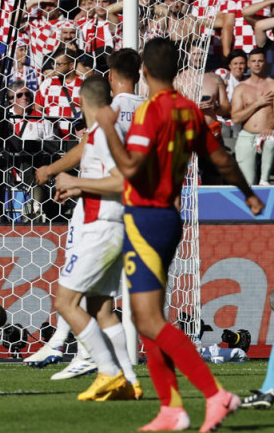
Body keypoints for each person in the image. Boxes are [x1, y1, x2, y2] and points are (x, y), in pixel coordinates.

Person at [97, 37, 263, 432]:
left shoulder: (150, 112)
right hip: (169, 217)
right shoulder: (189, 110)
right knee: (149, 315)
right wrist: (249, 194)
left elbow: (133, 168)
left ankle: (214, 395)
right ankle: (171, 408)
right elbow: (220, 156)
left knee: (149, 319)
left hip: (146, 218)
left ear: (145, 72)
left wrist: (108, 128)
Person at [29, 48, 144, 380]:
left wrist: (62, 174)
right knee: (100, 306)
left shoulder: (109, 120)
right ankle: (124, 376)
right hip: (134, 213)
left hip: (100, 219)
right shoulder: (148, 111)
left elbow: (109, 163)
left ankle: (92, 359)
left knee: (68, 300)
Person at [51, 75, 141, 401]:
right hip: (108, 226)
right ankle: (130, 379)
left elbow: (122, 181)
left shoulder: (104, 134)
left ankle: (108, 370)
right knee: (100, 308)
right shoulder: (101, 133)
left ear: (80, 101)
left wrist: (75, 181)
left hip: (101, 228)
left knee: (65, 302)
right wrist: (77, 186)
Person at [230, 48, 274, 185]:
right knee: (247, 182)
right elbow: (236, 118)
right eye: (253, 61)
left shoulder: (272, 85)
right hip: (247, 134)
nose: (257, 64)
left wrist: (271, 127)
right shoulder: (241, 88)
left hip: (268, 134)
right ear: (248, 64)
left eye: (260, 61)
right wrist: (257, 103)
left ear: (265, 63)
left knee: (271, 141)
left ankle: (264, 179)